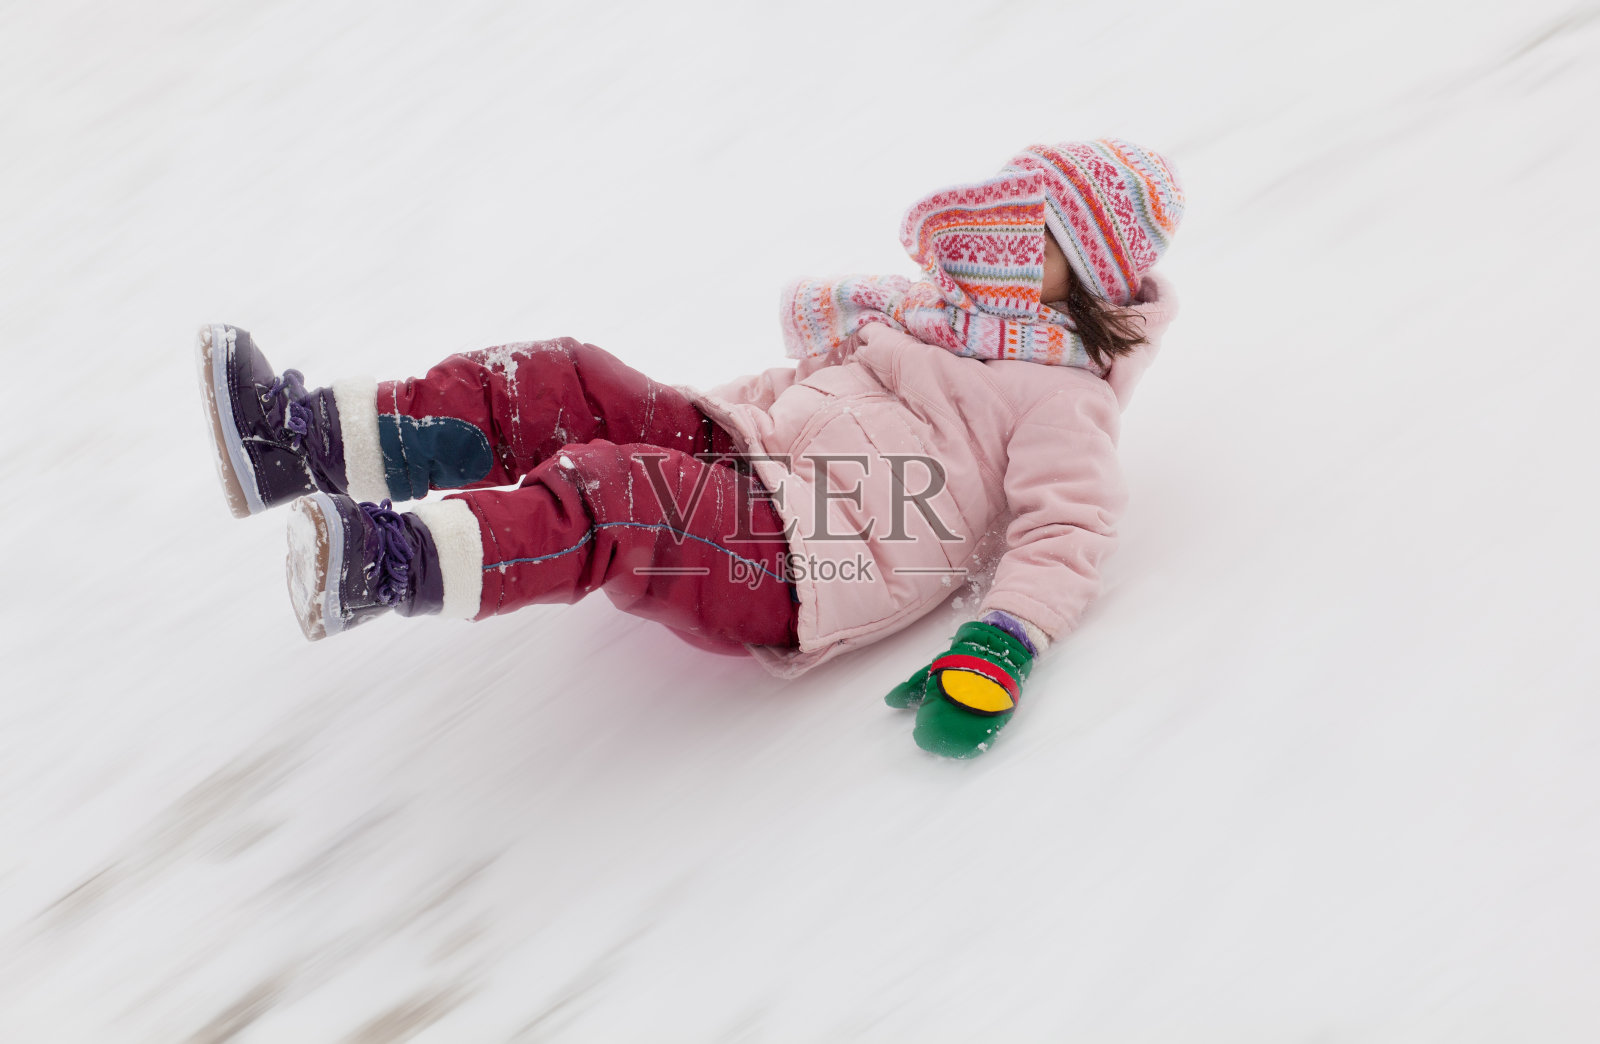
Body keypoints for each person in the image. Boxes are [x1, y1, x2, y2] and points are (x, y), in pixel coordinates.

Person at [195, 138, 1185, 758]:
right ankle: (299, 442)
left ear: (1084, 275)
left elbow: (1070, 524)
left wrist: (1000, 645)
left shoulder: (1062, 395)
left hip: (813, 561)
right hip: (752, 461)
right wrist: (673, 420)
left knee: (617, 496)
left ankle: (383, 566)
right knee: (568, 379)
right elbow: (801, 387)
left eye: (1037, 236)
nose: (1007, 243)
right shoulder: (935, 318)